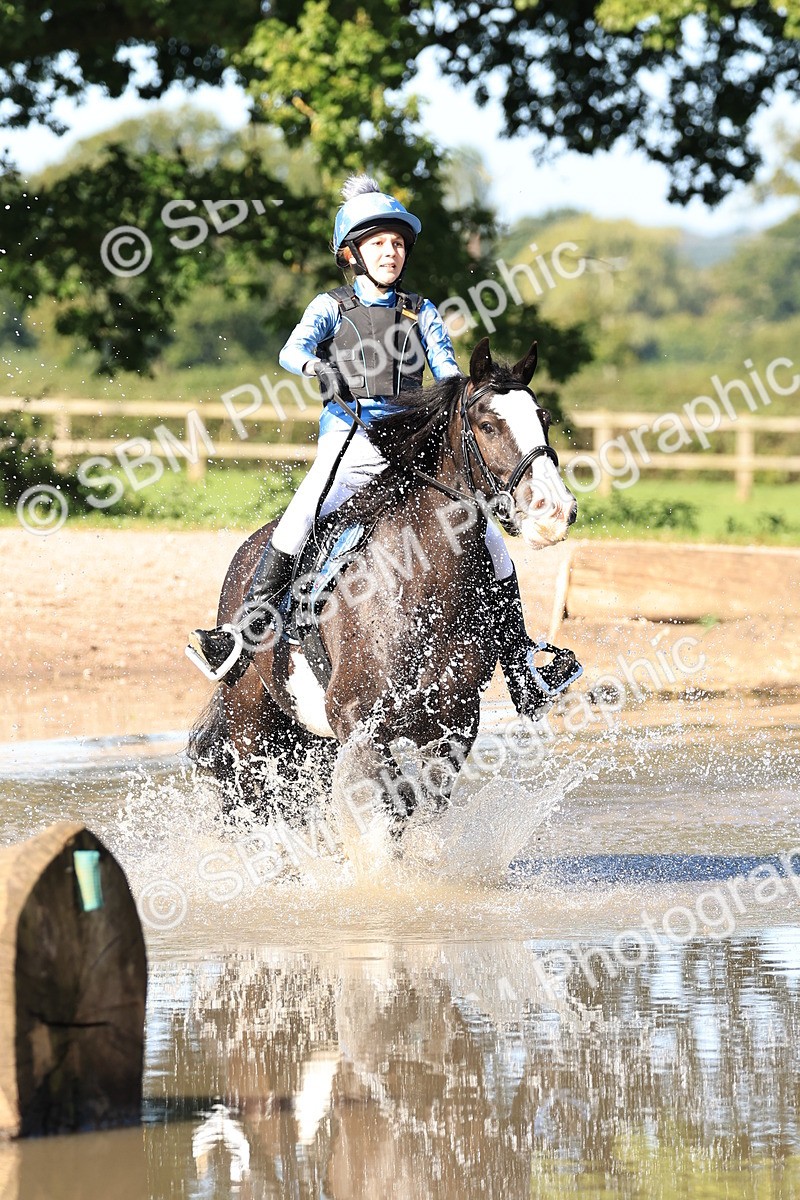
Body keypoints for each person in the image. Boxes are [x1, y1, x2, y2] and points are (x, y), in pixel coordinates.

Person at [187, 176, 581, 716]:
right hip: (349, 442)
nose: (390, 252)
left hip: (410, 448)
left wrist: (482, 393)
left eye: (397, 243)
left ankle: (522, 666)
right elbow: (291, 350)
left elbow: (447, 377)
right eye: (378, 243)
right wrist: (318, 367)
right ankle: (238, 638)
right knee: (302, 515)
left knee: (487, 534)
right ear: (352, 253)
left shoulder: (423, 312)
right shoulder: (332, 306)